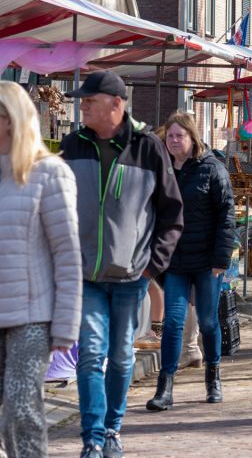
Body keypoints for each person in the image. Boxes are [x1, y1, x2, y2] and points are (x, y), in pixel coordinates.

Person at [61, 71, 183, 457]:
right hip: (86, 275)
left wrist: (152, 266)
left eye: (89, 100)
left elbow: (171, 214)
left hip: (132, 275)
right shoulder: (73, 145)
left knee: (121, 356)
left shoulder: (149, 148)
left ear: (116, 104)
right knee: (91, 355)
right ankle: (93, 438)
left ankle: (113, 428)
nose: (82, 106)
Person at [0, 82, 81, 457]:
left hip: (32, 316)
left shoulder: (50, 174)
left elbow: (67, 254)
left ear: (12, 120)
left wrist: (66, 326)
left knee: (20, 413)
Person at [146, 112, 235, 412]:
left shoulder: (212, 168)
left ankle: (213, 377)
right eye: (169, 136)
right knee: (172, 322)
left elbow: (226, 213)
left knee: (209, 322)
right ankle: (165, 386)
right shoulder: (162, 169)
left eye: (179, 136)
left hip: (207, 261)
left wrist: (222, 257)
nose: (173, 140)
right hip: (174, 262)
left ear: (191, 137)